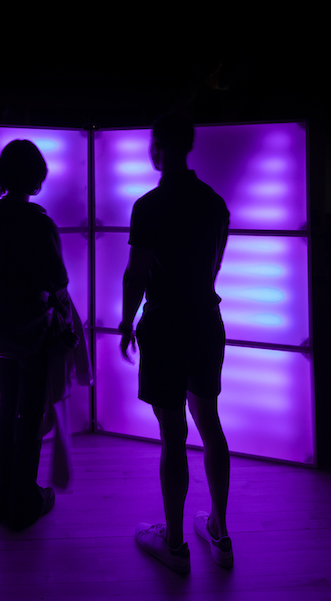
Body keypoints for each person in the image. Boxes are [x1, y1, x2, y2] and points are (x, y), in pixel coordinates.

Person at [120, 113, 233, 573]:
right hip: (206, 320)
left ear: (156, 148)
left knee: (173, 435)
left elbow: (136, 274)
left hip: (165, 324)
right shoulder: (214, 204)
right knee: (210, 424)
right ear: (188, 146)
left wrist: (126, 322)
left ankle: (174, 545)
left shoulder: (149, 206)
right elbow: (214, 266)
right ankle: (220, 534)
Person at [0, 139, 74, 531]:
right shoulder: (39, 224)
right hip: (32, 332)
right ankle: (25, 501)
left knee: (5, 408)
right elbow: (57, 281)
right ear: (36, 178)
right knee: (30, 415)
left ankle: (0, 499)